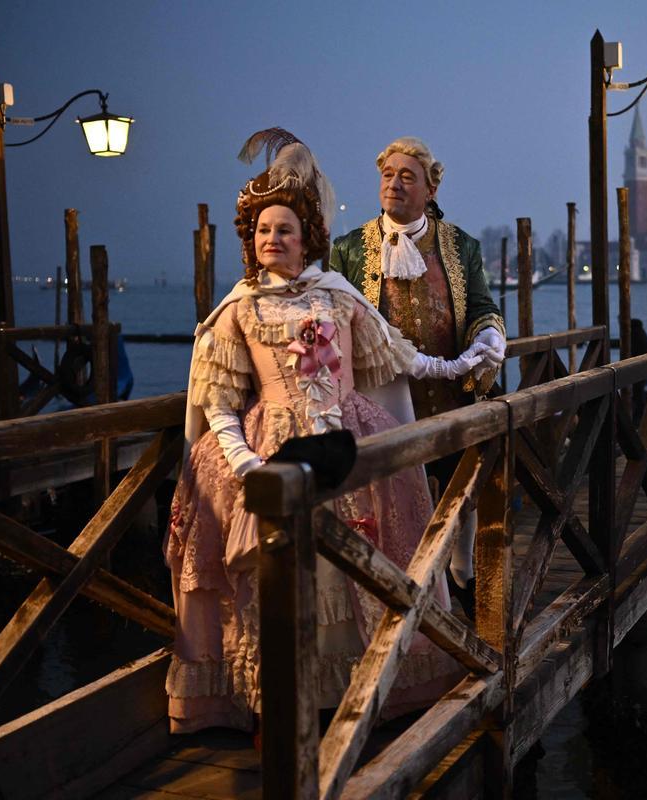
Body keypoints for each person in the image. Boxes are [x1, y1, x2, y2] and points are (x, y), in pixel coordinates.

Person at [164, 129, 481, 735]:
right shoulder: (237, 310)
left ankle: (357, 691)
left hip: (344, 444)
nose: (273, 240)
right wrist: (242, 462)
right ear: (250, 240)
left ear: (307, 237)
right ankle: (276, 698)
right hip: (268, 452)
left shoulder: (337, 294)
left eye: (284, 230)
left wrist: (459, 364)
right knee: (276, 570)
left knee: (363, 557)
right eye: (263, 231)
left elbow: (398, 356)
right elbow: (221, 403)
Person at [330, 136, 506, 616]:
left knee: (460, 495)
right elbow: (333, 319)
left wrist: (489, 335)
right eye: (388, 175)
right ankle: (402, 600)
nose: (394, 184)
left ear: (430, 189)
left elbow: (482, 308)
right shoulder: (348, 249)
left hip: (451, 393)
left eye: (407, 176)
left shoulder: (460, 245)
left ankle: (462, 577)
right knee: (397, 505)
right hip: (383, 401)